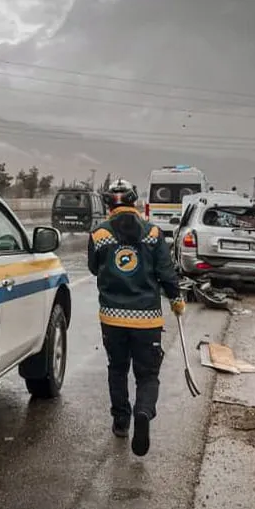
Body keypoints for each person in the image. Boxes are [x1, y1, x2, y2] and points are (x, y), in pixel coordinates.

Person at [88, 179, 186, 456]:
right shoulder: (153, 233)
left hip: (112, 318)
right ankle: (144, 411)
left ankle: (121, 421)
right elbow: (167, 273)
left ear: (109, 205)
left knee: (117, 369)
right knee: (147, 375)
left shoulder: (99, 234)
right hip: (147, 320)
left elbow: (94, 269)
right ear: (134, 202)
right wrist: (176, 301)